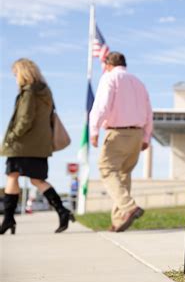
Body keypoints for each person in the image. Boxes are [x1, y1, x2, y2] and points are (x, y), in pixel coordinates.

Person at [0, 58, 75, 235]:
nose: (15, 77)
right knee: (37, 179)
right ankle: (63, 211)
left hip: (23, 144)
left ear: (23, 72)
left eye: (16, 73)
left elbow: (24, 120)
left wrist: (11, 137)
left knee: (12, 176)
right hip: (40, 145)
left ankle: (8, 220)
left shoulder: (29, 93)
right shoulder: (45, 92)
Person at [89, 52, 152, 232]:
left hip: (117, 132)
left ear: (108, 65)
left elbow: (101, 105)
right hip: (137, 134)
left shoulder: (109, 78)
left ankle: (129, 206)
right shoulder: (139, 83)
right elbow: (149, 111)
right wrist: (146, 137)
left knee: (107, 168)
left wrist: (94, 130)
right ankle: (119, 220)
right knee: (123, 174)